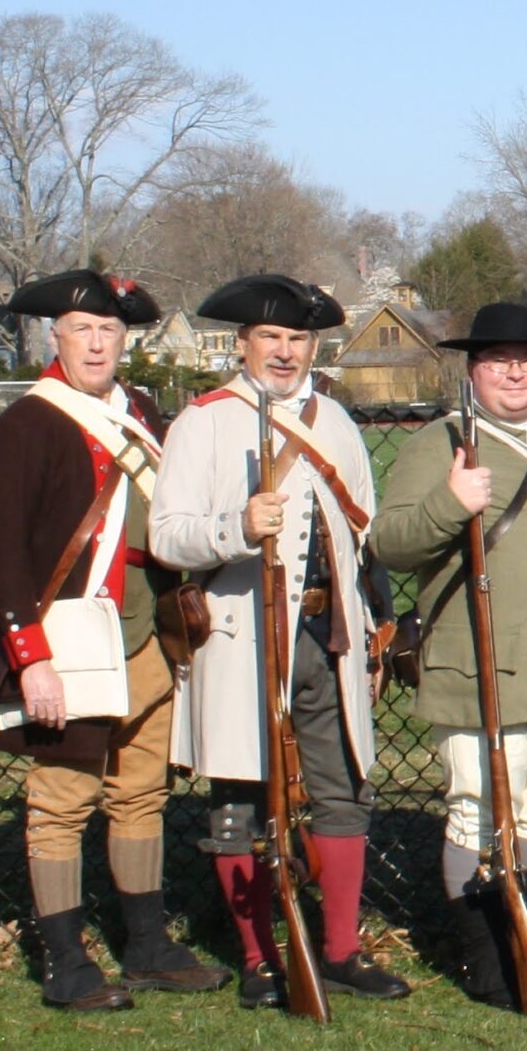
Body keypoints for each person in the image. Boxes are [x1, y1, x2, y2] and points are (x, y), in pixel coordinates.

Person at [149, 274, 410, 1006]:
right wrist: (235, 527)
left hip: (330, 637)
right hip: (241, 638)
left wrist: (374, 633)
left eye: (298, 338)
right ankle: (259, 958)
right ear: (243, 344)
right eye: (271, 337)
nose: (285, 352)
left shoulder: (337, 421)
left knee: (342, 790)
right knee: (241, 797)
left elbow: (363, 537)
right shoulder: (203, 422)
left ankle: (341, 950)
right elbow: (167, 535)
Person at [0, 271, 230, 1010]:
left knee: (141, 793)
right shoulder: (25, 425)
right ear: (54, 336)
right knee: (61, 801)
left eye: (109, 330)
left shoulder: (140, 411)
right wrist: (32, 661)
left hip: (146, 633)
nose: (96, 343)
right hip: (68, 643)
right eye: (82, 328)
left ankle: (147, 945)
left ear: (125, 340)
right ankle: (65, 960)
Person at [367, 301, 527, 1005]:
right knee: (477, 812)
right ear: (473, 370)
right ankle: (487, 959)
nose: (515, 372)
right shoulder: (440, 442)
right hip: (481, 662)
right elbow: (390, 543)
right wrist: (449, 502)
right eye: (498, 361)